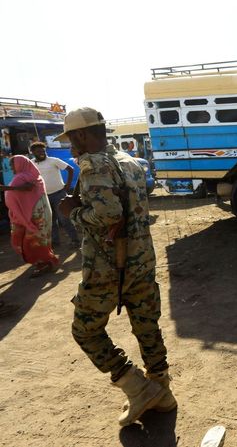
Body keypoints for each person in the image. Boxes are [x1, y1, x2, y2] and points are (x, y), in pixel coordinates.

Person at [56, 107, 176, 426]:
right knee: (146, 323)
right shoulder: (129, 161)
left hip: (107, 267)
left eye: (71, 138)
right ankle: (162, 390)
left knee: (84, 329)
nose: (70, 146)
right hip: (141, 260)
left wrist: (73, 212)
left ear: (82, 135)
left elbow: (108, 214)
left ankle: (137, 388)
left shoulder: (93, 163)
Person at [0, 155, 59, 276]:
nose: (11, 168)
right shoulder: (33, 175)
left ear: (20, 163)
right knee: (37, 240)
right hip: (36, 214)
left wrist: (6, 188)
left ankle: (44, 264)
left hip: (33, 216)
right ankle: (44, 262)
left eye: (12, 165)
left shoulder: (24, 176)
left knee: (32, 241)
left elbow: (28, 188)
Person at [30, 141, 80, 248]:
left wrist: (67, 185)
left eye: (43, 151)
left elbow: (70, 169)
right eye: (39, 151)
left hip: (59, 194)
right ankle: (55, 242)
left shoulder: (53, 160)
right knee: (50, 221)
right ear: (33, 152)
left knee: (64, 219)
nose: (42, 153)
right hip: (43, 196)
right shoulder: (31, 163)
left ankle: (75, 240)